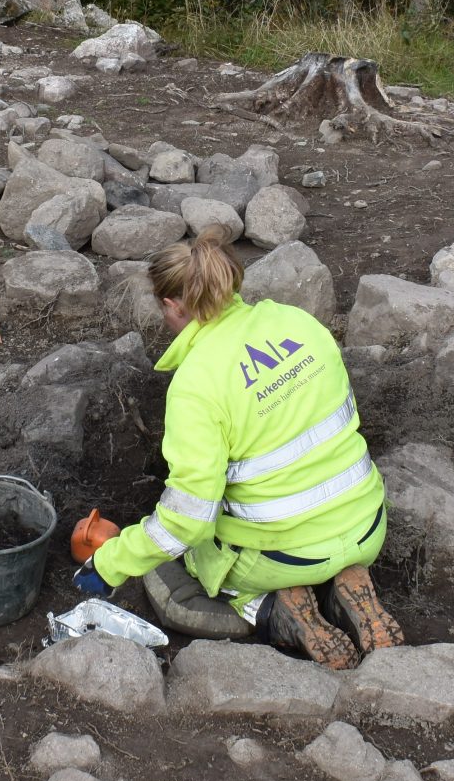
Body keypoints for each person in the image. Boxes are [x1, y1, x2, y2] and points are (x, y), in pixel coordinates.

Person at [72, 225, 401, 670]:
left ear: (173, 305)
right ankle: (345, 585)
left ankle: (272, 613)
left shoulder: (195, 387)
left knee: (167, 575)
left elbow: (186, 523)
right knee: (311, 532)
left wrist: (108, 564)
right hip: (366, 524)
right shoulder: (297, 321)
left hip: (280, 555)